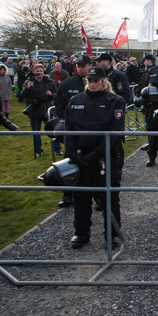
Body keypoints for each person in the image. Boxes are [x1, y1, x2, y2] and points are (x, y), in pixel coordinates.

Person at [64, 66, 125, 249]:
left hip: (104, 156)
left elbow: (116, 131)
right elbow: (69, 129)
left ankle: (112, 234)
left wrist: (96, 154)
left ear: (104, 82)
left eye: (95, 81)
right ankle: (81, 232)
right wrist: (73, 154)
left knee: (109, 197)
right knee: (81, 196)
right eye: (89, 81)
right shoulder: (75, 101)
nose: (92, 84)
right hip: (81, 156)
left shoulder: (115, 101)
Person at [53, 54, 93, 208]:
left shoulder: (96, 84)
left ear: (90, 65)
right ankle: (68, 195)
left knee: (93, 163)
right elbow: (59, 103)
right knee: (69, 161)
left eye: (83, 66)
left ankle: (97, 196)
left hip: (91, 132)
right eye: (78, 66)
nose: (81, 68)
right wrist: (66, 120)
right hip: (73, 131)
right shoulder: (68, 83)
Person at [21, 64, 60, 157]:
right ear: (34, 72)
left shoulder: (49, 82)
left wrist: (51, 94)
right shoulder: (29, 82)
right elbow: (23, 95)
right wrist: (27, 88)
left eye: (41, 71)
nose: (39, 73)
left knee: (53, 130)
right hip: (34, 111)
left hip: (47, 110)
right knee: (36, 133)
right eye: (37, 71)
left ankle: (57, 149)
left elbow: (57, 95)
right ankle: (38, 150)